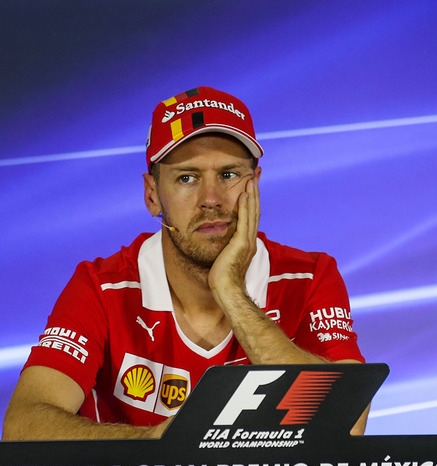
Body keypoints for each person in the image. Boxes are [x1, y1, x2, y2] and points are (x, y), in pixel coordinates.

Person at [3, 87, 366, 440]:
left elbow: (348, 425)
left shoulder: (310, 276)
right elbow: (22, 427)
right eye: (187, 178)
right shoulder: (101, 287)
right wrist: (155, 450)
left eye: (228, 175)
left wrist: (230, 291)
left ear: (255, 183)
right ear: (152, 195)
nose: (211, 199)